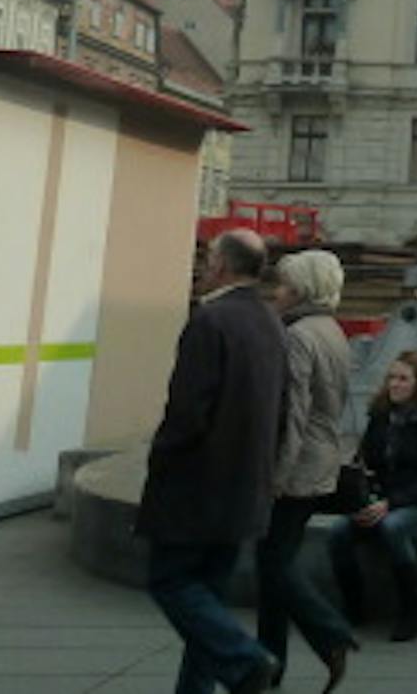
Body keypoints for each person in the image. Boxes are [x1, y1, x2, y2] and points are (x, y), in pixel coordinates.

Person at [138, 229, 287, 694]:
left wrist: (159, 465)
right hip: (245, 489)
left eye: (207, 258)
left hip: (196, 489)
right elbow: (282, 409)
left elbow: (186, 413)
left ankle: (245, 660)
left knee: (171, 582)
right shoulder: (270, 322)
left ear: (221, 265)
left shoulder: (210, 321)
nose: (202, 267)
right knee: (208, 599)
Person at [254, 250, 360, 692]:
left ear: (300, 290)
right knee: (273, 561)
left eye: (282, 284)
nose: (276, 292)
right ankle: (270, 661)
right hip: (322, 458)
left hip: (297, 465)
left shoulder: (298, 335)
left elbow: (293, 413)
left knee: (273, 562)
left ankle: (329, 634)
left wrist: (278, 475)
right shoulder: (331, 330)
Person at [329, 350, 417, 643]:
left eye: (403, 379)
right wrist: (363, 500)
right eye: (391, 378)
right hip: (380, 501)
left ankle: (412, 612)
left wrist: (392, 504)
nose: (394, 384)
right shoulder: (380, 417)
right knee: (338, 533)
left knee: (393, 528)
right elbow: (365, 462)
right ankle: (353, 608)